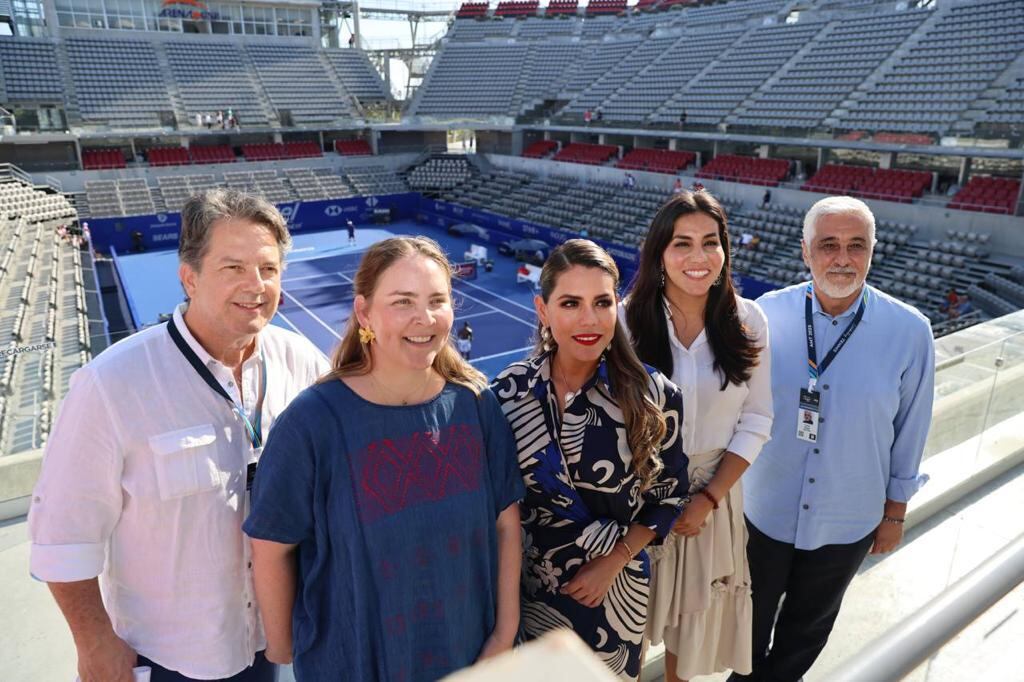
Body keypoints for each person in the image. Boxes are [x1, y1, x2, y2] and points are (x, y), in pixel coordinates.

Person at [28, 188, 330, 682]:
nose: (255, 285)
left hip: (274, 643)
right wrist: (94, 642)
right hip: (170, 657)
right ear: (189, 277)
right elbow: (63, 535)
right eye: (233, 267)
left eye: (268, 269)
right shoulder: (111, 384)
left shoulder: (302, 362)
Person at [243, 237, 525, 682]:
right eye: (403, 302)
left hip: (472, 656)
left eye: (437, 300)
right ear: (364, 313)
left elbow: (506, 525)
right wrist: (285, 647)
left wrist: (503, 636)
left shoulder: (475, 405)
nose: (425, 318)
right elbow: (272, 547)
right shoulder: (311, 424)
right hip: (353, 663)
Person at [730, 196, 935, 682]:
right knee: (745, 630)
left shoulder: (911, 331)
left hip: (849, 517)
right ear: (805, 251)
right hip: (764, 508)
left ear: (872, 252)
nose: (842, 258)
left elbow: (911, 428)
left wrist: (894, 514)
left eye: (855, 245)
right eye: (828, 245)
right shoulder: (765, 315)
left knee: (806, 632)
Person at [491, 239, 689, 680]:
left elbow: (670, 497)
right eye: (570, 303)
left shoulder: (655, 395)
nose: (589, 320)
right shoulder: (506, 392)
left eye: (602, 302)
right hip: (524, 587)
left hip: (612, 595)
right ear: (543, 310)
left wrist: (615, 559)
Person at [624, 191, 772, 682]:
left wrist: (708, 498)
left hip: (713, 500)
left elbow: (756, 420)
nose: (698, 257)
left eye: (711, 243)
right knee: (625, 627)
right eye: (682, 243)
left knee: (690, 643)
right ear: (659, 254)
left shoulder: (748, 320)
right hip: (637, 497)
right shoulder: (626, 321)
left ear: (725, 251)